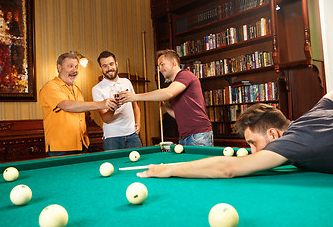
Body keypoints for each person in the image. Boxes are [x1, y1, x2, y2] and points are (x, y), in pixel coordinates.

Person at [135, 91, 333, 178]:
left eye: (253, 143)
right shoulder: (313, 113)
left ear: (273, 134)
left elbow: (227, 169)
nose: (251, 150)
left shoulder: (292, 141)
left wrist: (169, 169)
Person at [120, 49, 213, 146]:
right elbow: (178, 116)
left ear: (173, 63)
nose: (159, 69)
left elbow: (168, 93)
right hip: (185, 137)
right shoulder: (176, 84)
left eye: (162, 64)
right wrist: (164, 106)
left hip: (198, 134)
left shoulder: (185, 75)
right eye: (158, 66)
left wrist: (135, 97)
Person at [40, 52, 118, 157]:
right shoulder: (50, 86)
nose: (74, 70)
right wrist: (102, 104)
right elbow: (67, 106)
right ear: (59, 68)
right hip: (60, 149)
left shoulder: (77, 89)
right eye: (70, 66)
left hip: (82, 146)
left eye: (76, 67)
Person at [92, 51, 142, 150]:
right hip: (112, 137)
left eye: (111, 64)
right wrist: (114, 107)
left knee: (139, 164)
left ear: (116, 64)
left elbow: (135, 106)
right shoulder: (97, 89)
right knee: (113, 165)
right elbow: (106, 119)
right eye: (105, 66)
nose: (109, 68)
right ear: (100, 68)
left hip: (132, 135)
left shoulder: (126, 82)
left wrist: (138, 122)